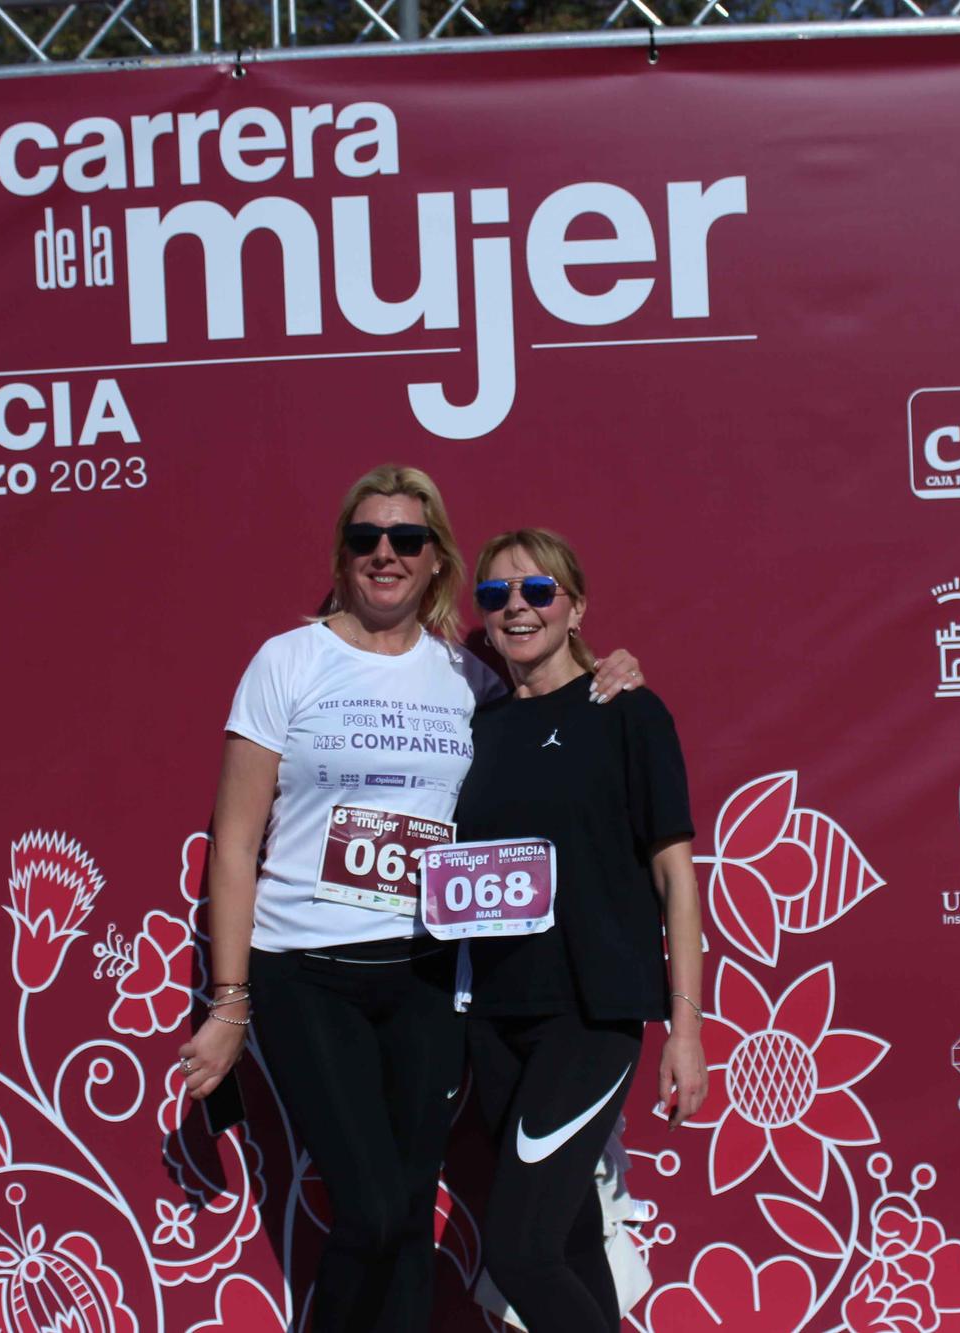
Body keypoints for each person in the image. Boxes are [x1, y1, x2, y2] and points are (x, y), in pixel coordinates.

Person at [173, 466, 642, 1333]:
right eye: (365, 538)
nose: (384, 554)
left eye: (406, 540)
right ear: (343, 554)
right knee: (376, 1212)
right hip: (304, 971)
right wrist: (229, 1000)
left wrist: (610, 666)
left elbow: (557, 712)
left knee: (408, 1215)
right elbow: (234, 844)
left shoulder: (470, 678)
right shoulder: (288, 662)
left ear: (436, 560)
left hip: (429, 976)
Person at [451, 529, 707, 1333]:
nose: (516, 609)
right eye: (495, 596)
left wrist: (686, 1029)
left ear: (576, 606)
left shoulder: (626, 711)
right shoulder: (478, 730)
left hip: (588, 1016)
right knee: (565, 1235)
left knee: (521, 1250)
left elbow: (675, 877)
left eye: (537, 592)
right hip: (494, 1019)